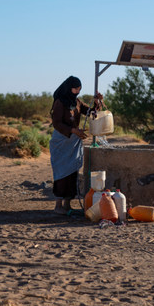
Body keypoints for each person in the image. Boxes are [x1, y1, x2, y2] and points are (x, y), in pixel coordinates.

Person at [49, 76, 103, 215]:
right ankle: (58, 206)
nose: (77, 91)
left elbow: (90, 111)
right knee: (61, 173)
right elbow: (57, 123)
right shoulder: (60, 102)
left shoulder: (77, 102)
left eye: (79, 89)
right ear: (68, 87)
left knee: (72, 172)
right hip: (61, 141)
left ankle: (67, 205)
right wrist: (73, 130)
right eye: (75, 89)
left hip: (73, 141)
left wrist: (97, 102)